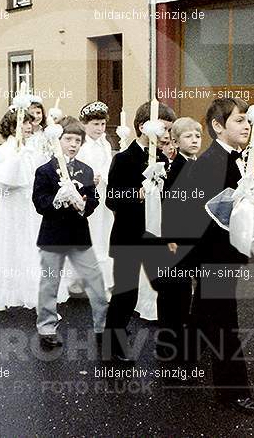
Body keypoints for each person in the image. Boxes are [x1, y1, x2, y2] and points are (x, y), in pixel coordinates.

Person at [188, 98, 254, 415]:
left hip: (224, 254)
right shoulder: (211, 162)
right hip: (214, 257)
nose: (246, 126)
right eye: (239, 120)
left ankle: (180, 355)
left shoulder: (238, 159)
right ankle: (233, 391)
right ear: (218, 126)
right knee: (224, 324)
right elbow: (197, 217)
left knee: (205, 314)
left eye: (248, 121)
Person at [103, 100, 176, 362]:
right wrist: (137, 194)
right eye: (163, 128)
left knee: (167, 287)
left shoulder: (164, 160)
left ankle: (171, 342)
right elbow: (111, 198)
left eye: (169, 129)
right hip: (129, 234)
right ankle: (113, 343)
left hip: (156, 234)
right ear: (144, 127)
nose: (167, 134)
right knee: (126, 291)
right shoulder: (124, 159)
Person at [0, 109, 69, 310]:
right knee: (11, 245)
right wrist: (16, 161)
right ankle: (9, 290)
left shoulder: (34, 150)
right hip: (12, 205)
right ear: (11, 127)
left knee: (33, 245)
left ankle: (35, 290)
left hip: (31, 204)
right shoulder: (1, 151)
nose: (29, 127)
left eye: (30, 123)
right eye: (23, 123)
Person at [32, 117, 108, 348]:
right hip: (53, 236)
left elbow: (93, 199)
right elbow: (39, 202)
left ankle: (103, 328)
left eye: (77, 140)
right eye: (68, 139)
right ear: (59, 141)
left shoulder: (86, 171)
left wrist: (84, 204)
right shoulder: (45, 171)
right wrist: (58, 198)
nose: (73, 144)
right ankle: (46, 328)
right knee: (49, 284)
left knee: (95, 281)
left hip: (78, 236)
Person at [157, 117, 203, 360]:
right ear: (175, 141)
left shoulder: (196, 165)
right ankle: (169, 347)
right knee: (175, 296)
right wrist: (171, 237)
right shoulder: (175, 169)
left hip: (193, 238)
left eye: (197, 136)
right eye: (188, 136)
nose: (194, 140)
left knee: (186, 295)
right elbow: (169, 206)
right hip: (177, 242)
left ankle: (182, 343)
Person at [66, 101, 114, 297]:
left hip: (103, 196)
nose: (100, 129)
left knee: (104, 235)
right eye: (95, 124)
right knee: (89, 236)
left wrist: (105, 176)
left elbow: (109, 166)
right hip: (87, 197)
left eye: (102, 124)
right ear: (85, 124)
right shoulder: (81, 147)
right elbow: (71, 169)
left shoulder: (106, 144)